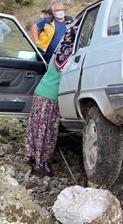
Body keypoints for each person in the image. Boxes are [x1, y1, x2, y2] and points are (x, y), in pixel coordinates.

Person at [23, 24, 78, 177]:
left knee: (35, 127)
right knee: (47, 132)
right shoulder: (71, 57)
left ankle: (30, 156)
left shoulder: (59, 52)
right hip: (50, 98)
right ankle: (42, 163)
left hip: (40, 92)